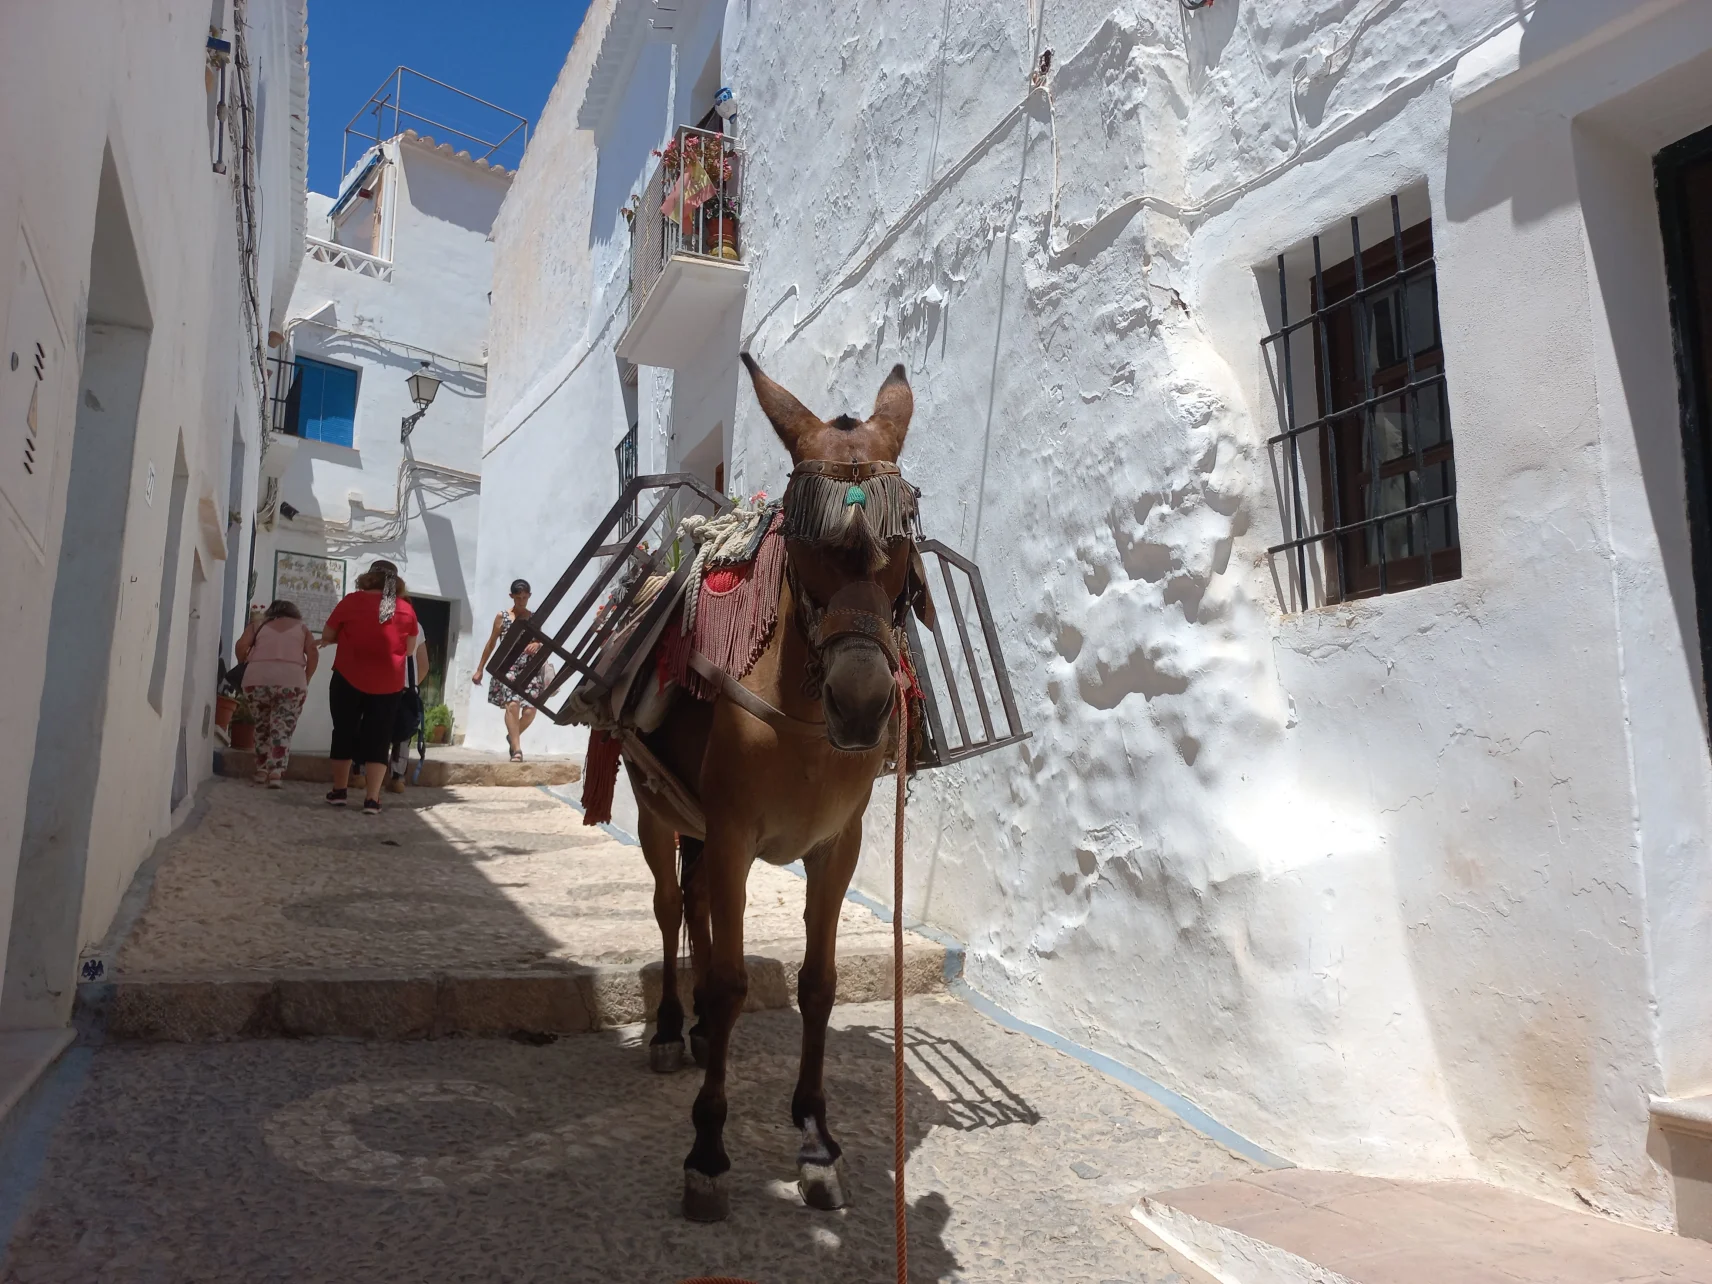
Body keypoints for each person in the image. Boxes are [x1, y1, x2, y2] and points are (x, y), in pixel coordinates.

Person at [319, 559, 419, 814]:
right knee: (379, 738)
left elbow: (328, 634)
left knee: (343, 732)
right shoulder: (407, 610)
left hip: (348, 677)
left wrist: (347, 637)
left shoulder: (351, 602)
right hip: (388, 684)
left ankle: (340, 791)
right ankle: (372, 799)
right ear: (396, 582)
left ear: (368, 577)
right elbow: (409, 650)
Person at [234, 599, 317, 788]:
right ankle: (276, 772)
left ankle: (262, 770)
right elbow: (313, 654)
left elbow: (241, 646)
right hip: (291, 681)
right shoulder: (302, 628)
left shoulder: (257, 625)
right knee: (282, 727)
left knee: (262, 724)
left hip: (257, 679)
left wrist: (244, 664)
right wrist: (307, 677)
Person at [474, 578, 552, 762]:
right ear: (512, 597)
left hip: (528, 667)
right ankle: (517, 750)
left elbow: (540, 640)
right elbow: (491, 643)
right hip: (506, 666)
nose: (522, 601)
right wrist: (480, 669)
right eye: (518, 598)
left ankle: (512, 737)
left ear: (529, 596)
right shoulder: (503, 617)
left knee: (531, 710)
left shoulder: (532, 617)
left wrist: (538, 645)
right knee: (512, 704)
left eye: (525, 597)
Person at [386, 627, 430, 794]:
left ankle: (361, 772)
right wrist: (413, 685)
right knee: (403, 733)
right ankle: (397, 776)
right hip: (405, 687)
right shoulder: (416, 626)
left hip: (381, 684)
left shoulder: (382, 617)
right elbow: (424, 665)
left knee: (376, 729)